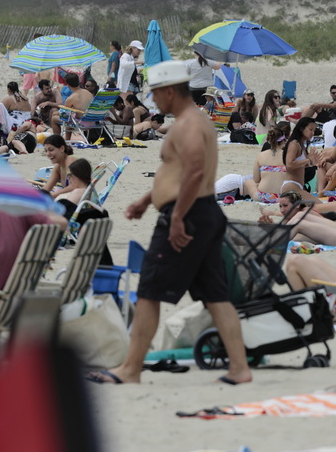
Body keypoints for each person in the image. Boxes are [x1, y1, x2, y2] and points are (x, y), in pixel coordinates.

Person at [88, 60, 251, 385]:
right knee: (215, 296)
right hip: (203, 213)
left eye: (156, 94)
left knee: (149, 290)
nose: (154, 100)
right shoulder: (195, 121)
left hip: (187, 215)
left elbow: (194, 170)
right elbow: (178, 173)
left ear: (170, 91)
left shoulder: (189, 124)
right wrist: (147, 200)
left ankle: (131, 369)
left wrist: (176, 217)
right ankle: (239, 368)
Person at [282, 116, 319, 201]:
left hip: (299, 185)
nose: (312, 133)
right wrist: (308, 160)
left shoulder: (302, 144)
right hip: (291, 185)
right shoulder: (294, 144)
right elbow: (289, 164)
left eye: (314, 130)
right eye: (310, 129)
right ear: (301, 128)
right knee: (318, 206)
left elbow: (301, 165)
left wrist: (313, 162)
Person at [251, 126, 289, 203]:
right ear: (282, 141)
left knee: (249, 182)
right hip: (282, 196)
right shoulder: (287, 156)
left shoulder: (261, 155)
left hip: (263, 196)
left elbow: (256, 179)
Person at [42, 134, 79, 199]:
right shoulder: (58, 167)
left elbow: (74, 185)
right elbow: (46, 189)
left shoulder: (70, 161)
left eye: (51, 150)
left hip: (84, 202)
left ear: (62, 148)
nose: (47, 154)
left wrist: (52, 196)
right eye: (46, 151)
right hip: (73, 200)